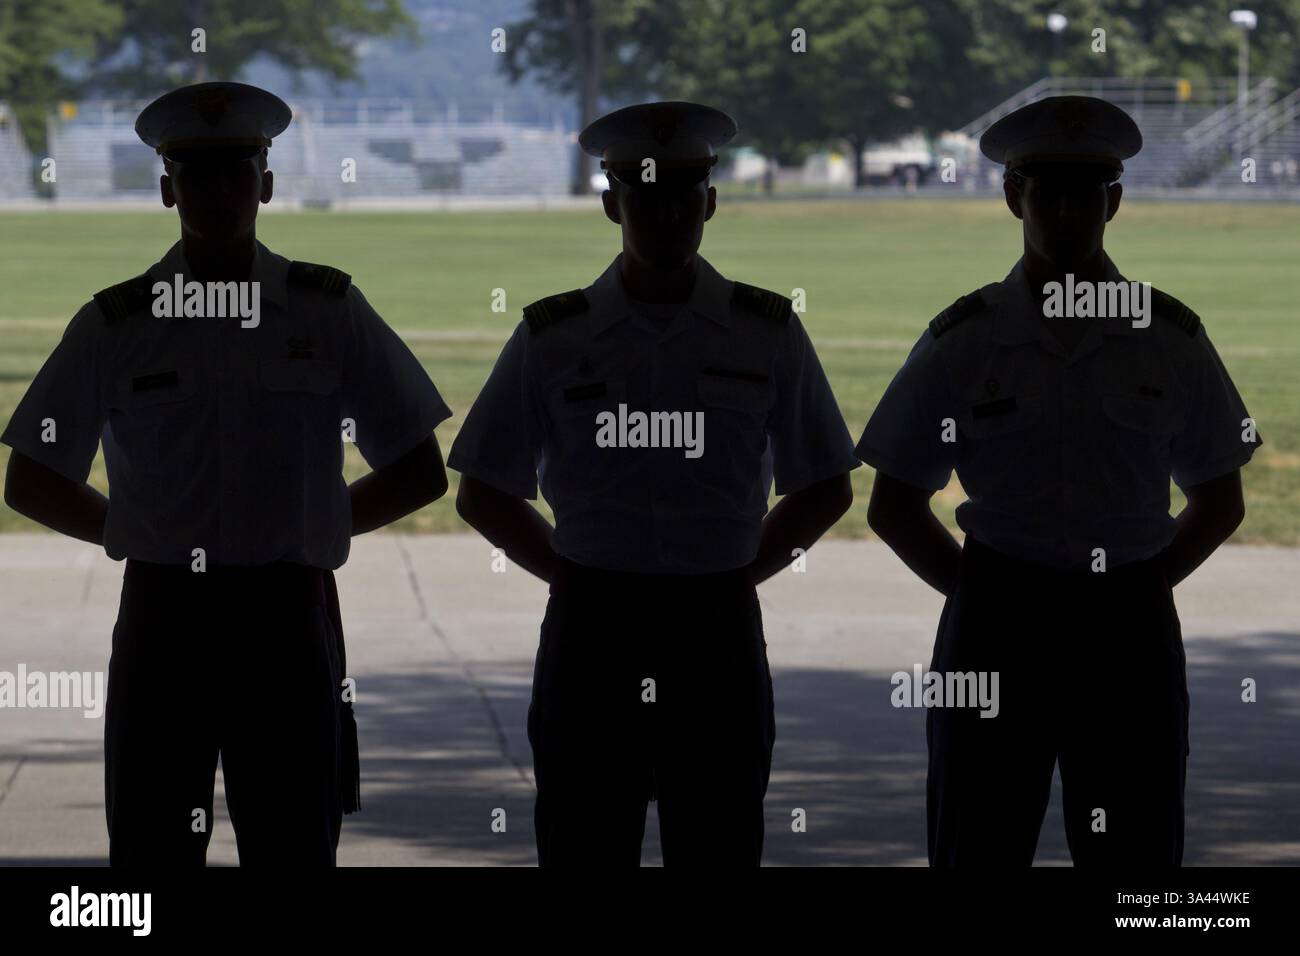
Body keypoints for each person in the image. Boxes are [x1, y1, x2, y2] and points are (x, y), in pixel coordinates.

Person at [1, 81, 453, 865]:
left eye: (236, 171)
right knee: (149, 853)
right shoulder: (118, 322)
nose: (217, 190)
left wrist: (321, 523)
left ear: (266, 183)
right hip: (163, 617)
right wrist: (132, 528)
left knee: (292, 846)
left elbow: (419, 469)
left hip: (284, 616)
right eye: (196, 173)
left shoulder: (327, 309)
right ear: (166, 186)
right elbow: (30, 477)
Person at [450, 101, 859, 865]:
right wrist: (570, 574)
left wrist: (740, 573)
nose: (666, 214)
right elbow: (481, 487)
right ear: (612, 204)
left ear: (710, 201)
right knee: (582, 839)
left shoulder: (764, 330)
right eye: (644, 196)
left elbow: (826, 482)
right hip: (592, 628)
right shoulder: (555, 335)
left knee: (719, 841)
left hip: (716, 627)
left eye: (683, 196)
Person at [858, 95, 1261, 866]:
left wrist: (1139, 587)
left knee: (1137, 858)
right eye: (1048, 192)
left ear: (1115, 200)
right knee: (976, 840)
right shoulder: (964, 341)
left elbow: (1221, 498)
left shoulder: (1167, 337)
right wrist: (982, 592)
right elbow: (894, 502)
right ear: (1015, 198)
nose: (1068, 213)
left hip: (1129, 631)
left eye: (1087, 194)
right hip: (996, 625)